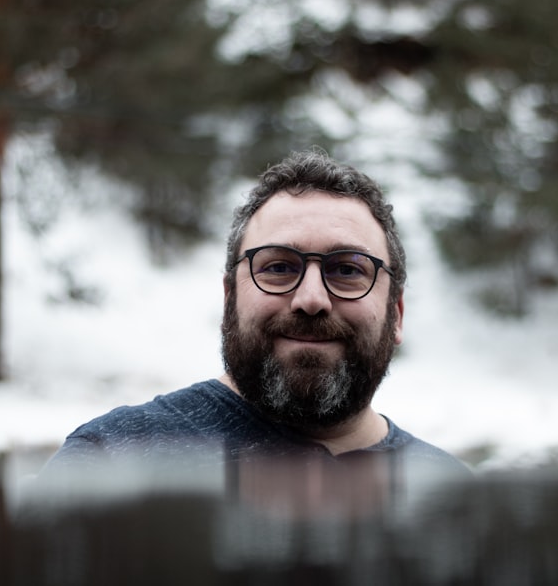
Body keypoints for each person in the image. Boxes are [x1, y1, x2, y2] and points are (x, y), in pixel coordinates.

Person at [38, 149, 470, 506]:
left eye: (347, 270)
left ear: (397, 315)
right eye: (279, 267)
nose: (312, 299)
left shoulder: (454, 496)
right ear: (230, 299)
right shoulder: (112, 459)